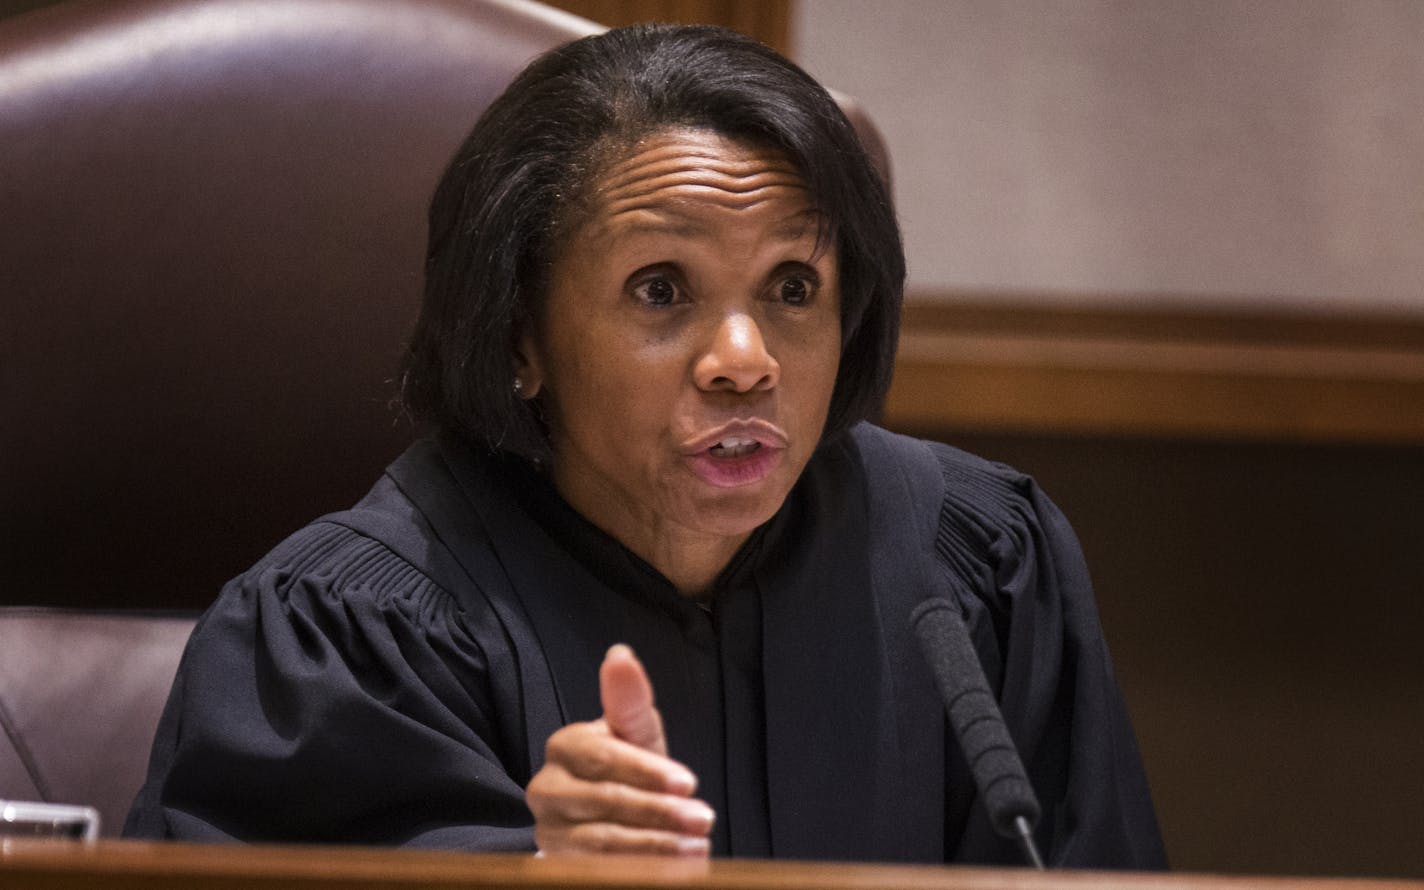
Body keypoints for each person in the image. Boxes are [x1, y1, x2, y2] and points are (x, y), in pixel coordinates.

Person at [126, 23, 1166, 867]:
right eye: (660, 289)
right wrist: (538, 875)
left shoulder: (975, 567)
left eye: (792, 287)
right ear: (520, 332)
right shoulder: (347, 638)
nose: (744, 358)